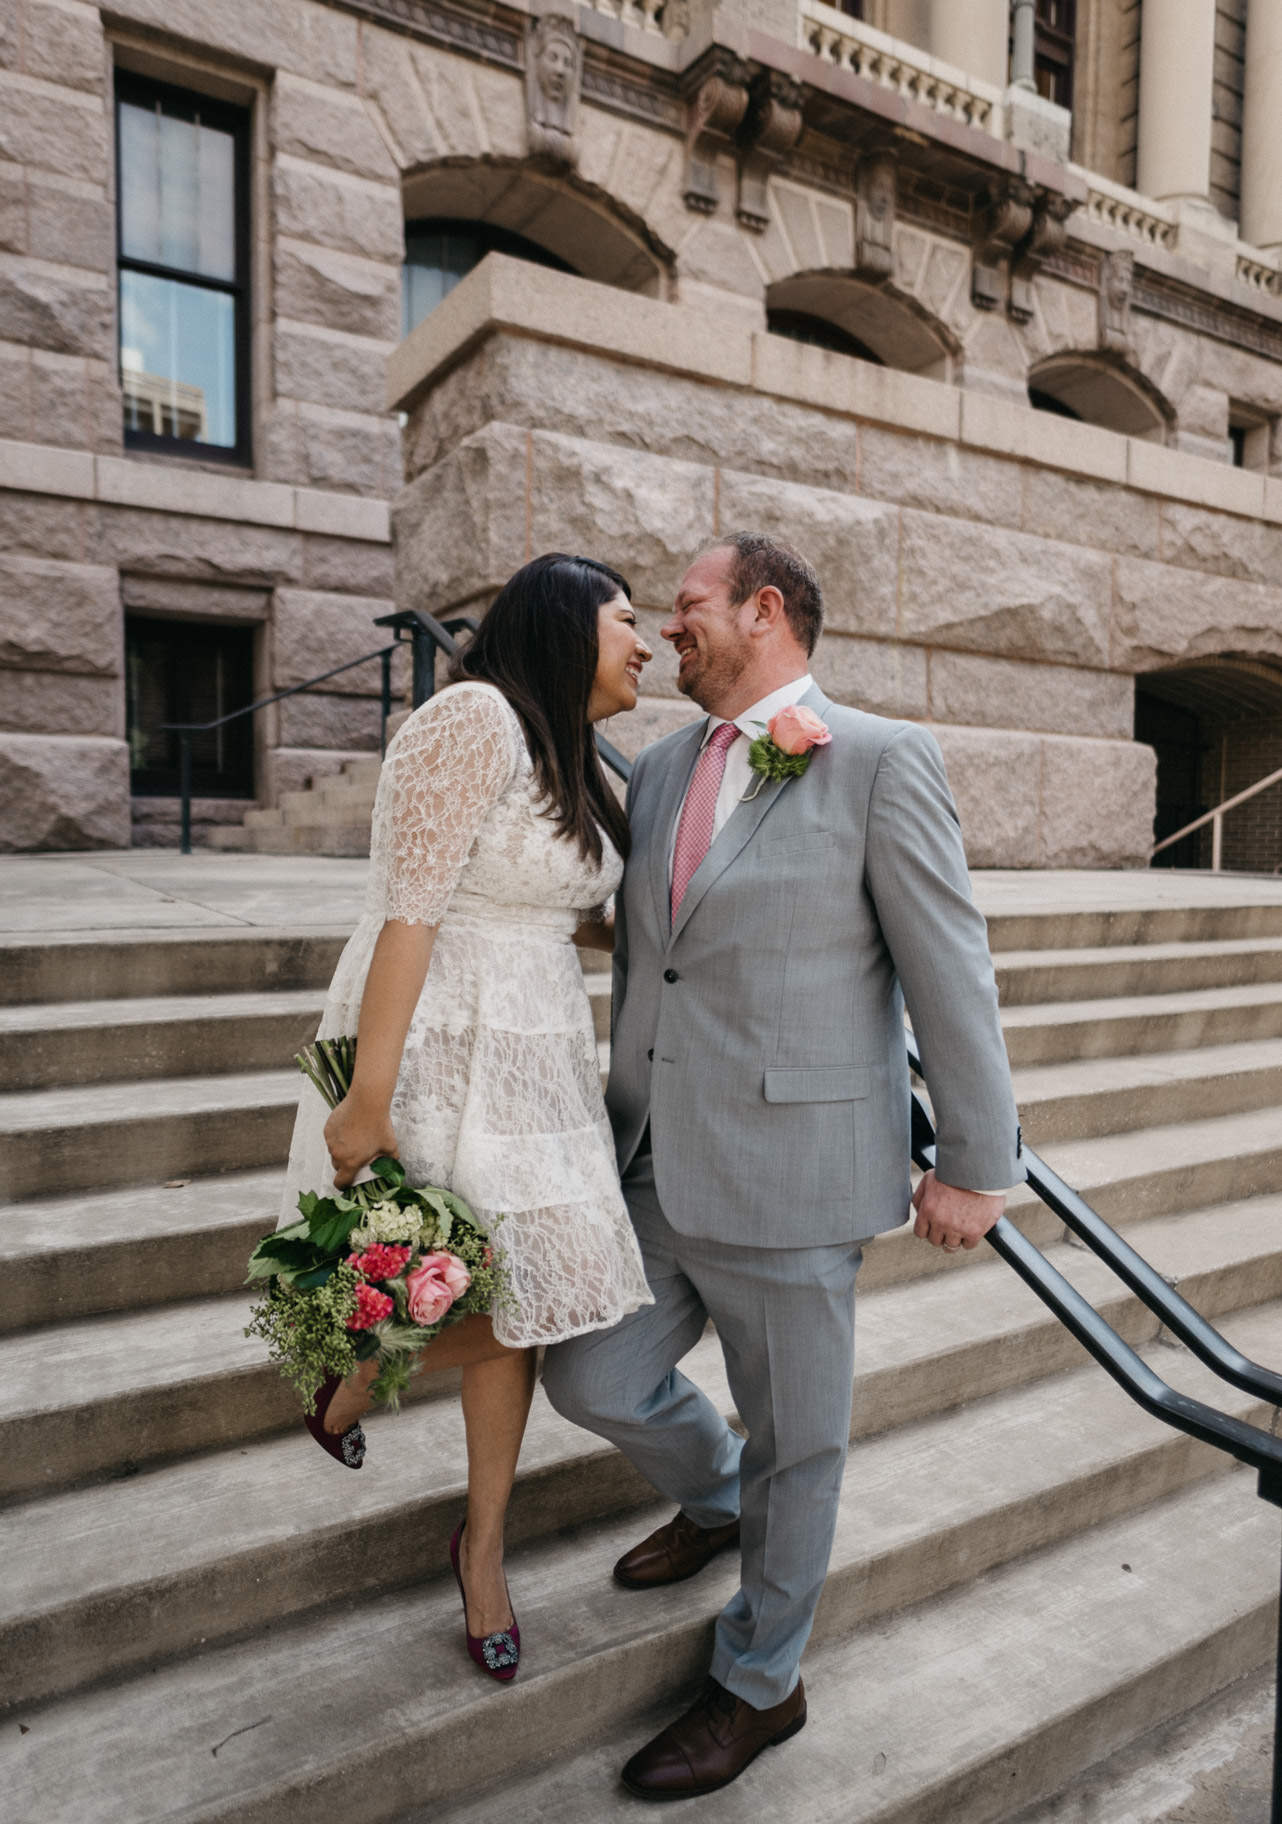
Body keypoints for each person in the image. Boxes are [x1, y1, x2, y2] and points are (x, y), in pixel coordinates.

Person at [542, 532, 1020, 1797]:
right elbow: (661, 955)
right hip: (651, 1159)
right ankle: (714, 1502)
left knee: (799, 1446)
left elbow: (949, 968)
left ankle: (761, 1682)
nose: (664, 630)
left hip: (799, 1171)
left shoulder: (875, 759)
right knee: (589, 1379)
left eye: (686, 607)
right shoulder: (651, 773)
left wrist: (975, 1160)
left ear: (763, 611)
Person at [281, 552, 655, 1682]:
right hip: (445, 1042)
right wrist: (367, 1097)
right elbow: (411, 910)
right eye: (628, 621)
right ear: (563, 623)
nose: (644, 645)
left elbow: (563, 911)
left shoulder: (566, 756)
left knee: (525, 1303)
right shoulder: (471, 718)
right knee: (467, 1282)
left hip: (539, 1059)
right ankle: (348, 1383)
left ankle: (481, 1546)